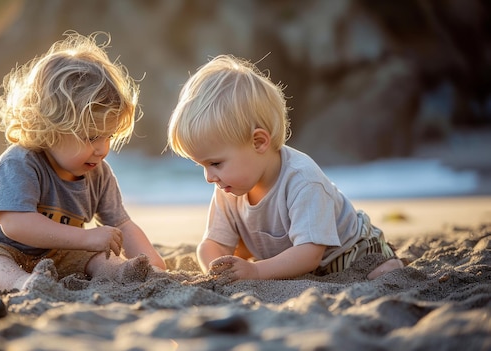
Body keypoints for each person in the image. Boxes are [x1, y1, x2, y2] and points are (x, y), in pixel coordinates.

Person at [0, 31, 166, 292]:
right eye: (91, 136)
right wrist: (85, 237)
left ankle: (125, 272)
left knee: (97, 256)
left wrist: (154, 265)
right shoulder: (20, 163)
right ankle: (22, 284)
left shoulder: (99, 174)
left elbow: (122, 225)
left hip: (54, 254)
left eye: (109, 136)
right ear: (50, 128)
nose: (103, 149)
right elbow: (15, 224)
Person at [167, 55, 404, 283]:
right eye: (203, 165)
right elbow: (212, 244)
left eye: (215, 163)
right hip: (292, 260)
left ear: (259, 142)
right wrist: (217, 268)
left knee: (378, 270)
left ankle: (388, 261)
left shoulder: (302, 180)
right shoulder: (229, 187)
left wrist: (256, 272)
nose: (209, 177)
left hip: (351, 251)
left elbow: (309, 254)